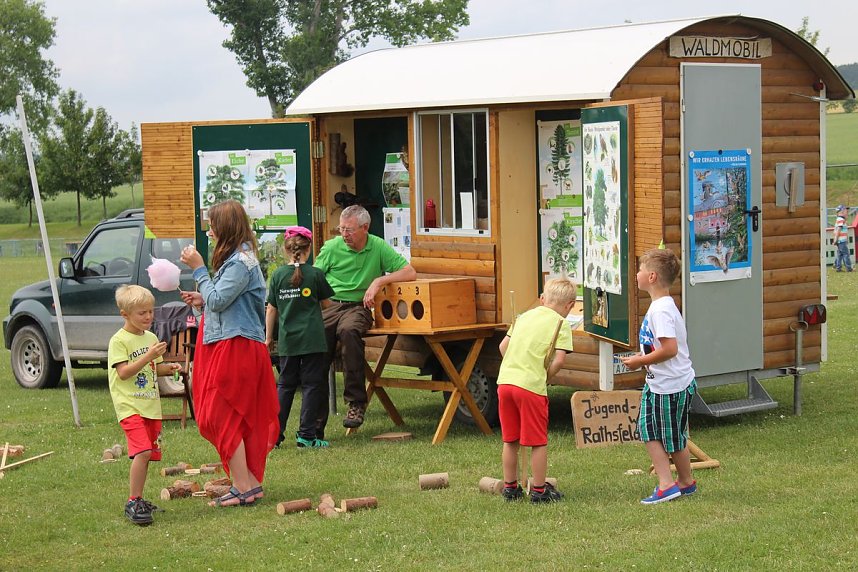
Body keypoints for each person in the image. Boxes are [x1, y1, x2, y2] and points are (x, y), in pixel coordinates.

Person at [179, 200, 279, 507]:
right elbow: (221, 301)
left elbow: (219, 300)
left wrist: (199, 270)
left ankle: (243, 486)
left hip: (237, 346)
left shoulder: (239, 263)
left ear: (225, 228)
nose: (209, 232)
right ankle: (249, 484)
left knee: (221, 414)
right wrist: (202, 298)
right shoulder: (238, 260)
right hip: (234, 343)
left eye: (212, 227)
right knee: (234, 415)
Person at [314, 205, 416, 428]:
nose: (344, 234)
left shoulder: (377, 246)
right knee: (316, 342)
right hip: (331, 305)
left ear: (365, 228)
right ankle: (313, 419)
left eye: (349, 230)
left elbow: (410, 272)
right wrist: (324, 301)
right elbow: (314, 279)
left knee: (349, 331)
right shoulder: (331, 247)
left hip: (357, 307)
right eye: (341, 229)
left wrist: (379, 281)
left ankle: (356, 404)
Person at [621, 248, 698, 505]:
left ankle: (668, 485)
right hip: (663, 383)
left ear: (652, 277)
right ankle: (685, 482)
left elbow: (670, 349)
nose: (637, 274)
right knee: (662, 432)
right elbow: (660, 346)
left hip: (670, 386)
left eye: (640, 270)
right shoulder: (661, 305)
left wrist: (639, 362)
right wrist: (643, 355)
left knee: (660, 435)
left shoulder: (660, 311)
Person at [496, 277, 576, 504]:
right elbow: (559, 360)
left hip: (505, 382)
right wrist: (545, 376)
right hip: (530, 386)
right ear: (570, 305)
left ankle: (510, 488)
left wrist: (514, 367)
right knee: (537, 441)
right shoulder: (561, 324)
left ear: (542, 298)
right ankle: (539, 491)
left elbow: (503, 347)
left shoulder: (522, 317)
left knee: (510, 439)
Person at [108, 284, 182, 525]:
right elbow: (123, 373)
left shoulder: (150, 338)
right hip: (129, 406)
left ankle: (138, 498)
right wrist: (148, 356)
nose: (149, 316)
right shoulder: (119, 341)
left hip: (150, 406)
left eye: (151, 311)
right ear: (125, 314)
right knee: (143, 451)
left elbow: (154, 368)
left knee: (147, 454)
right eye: (142, 313)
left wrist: (168, 367)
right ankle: (133, 502)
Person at [265, 226, 335, 448]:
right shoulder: (315, 275)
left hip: (288, 341)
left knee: (285, 386)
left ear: (286, 250)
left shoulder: (277, 275)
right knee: (312, 385)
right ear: (309, 248)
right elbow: (327, 305)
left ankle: (274, 437)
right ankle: (306, 435)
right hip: (313, 340)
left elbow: (271, 309)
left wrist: (268, 338)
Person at [833, 204, 853, 272]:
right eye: (846, 211)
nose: (847, 212)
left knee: (840, 255)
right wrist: (835, 239)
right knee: (846, 254)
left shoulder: (840, 219)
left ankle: (838, 268)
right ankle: (849, 268)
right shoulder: (841, 220)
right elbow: (838, 230)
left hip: (840, 241)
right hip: (841, 241)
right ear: (841, 212)